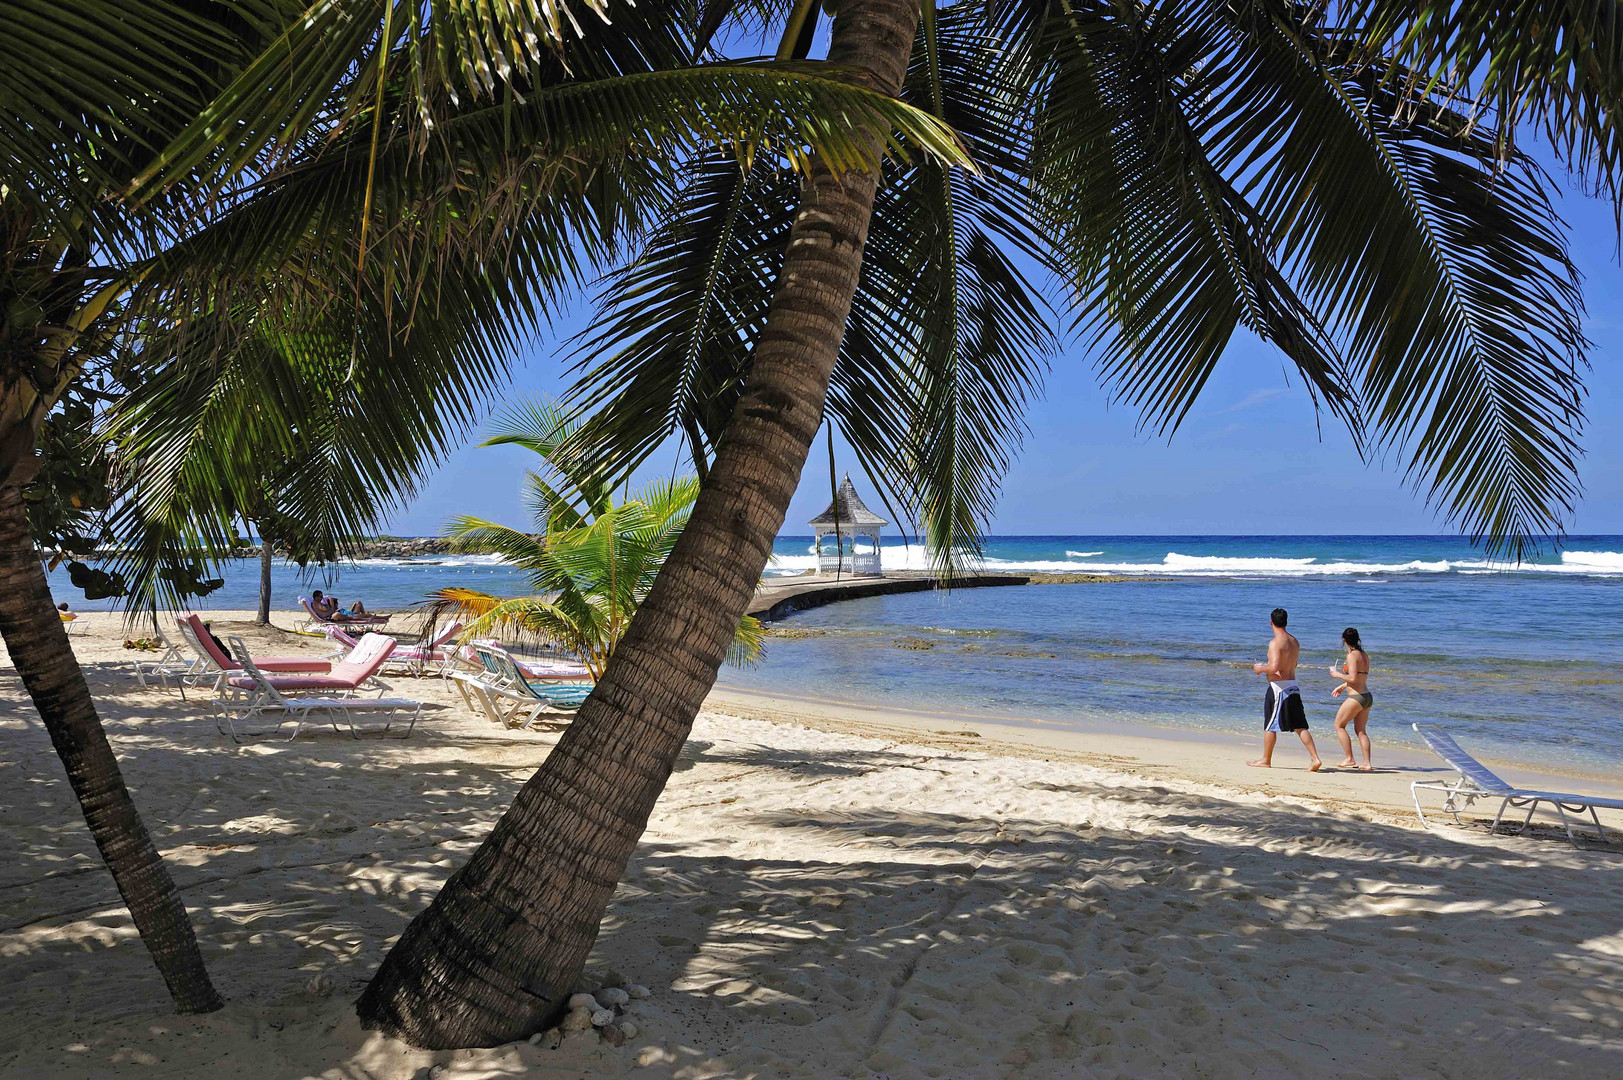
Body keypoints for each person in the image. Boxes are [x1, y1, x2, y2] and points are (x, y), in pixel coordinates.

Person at [1247, 607, 1322, 771]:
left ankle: (1266, 760)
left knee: (1269, 725)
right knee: (1300, 725)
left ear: (1271, 622)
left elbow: (1274, 667)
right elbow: (1292, 664)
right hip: (1293, 686)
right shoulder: (1294, 641)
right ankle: (1315, 758)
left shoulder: (1275, 643)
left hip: (1278, 689)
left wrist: (1259, 668)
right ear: (1286, 622)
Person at [1329, 627, 1374, 771]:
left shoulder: (1352, 655)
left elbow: (1353, 678)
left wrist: (1337, 675)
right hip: (1366, 696)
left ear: (1344, 640)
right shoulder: (1364, 655)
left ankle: (1349, 758)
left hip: (1356, 697)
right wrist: (1343, 686)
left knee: (1339, 725)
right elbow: (1360, 677)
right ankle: (1367, 763)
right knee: (1361, 731)